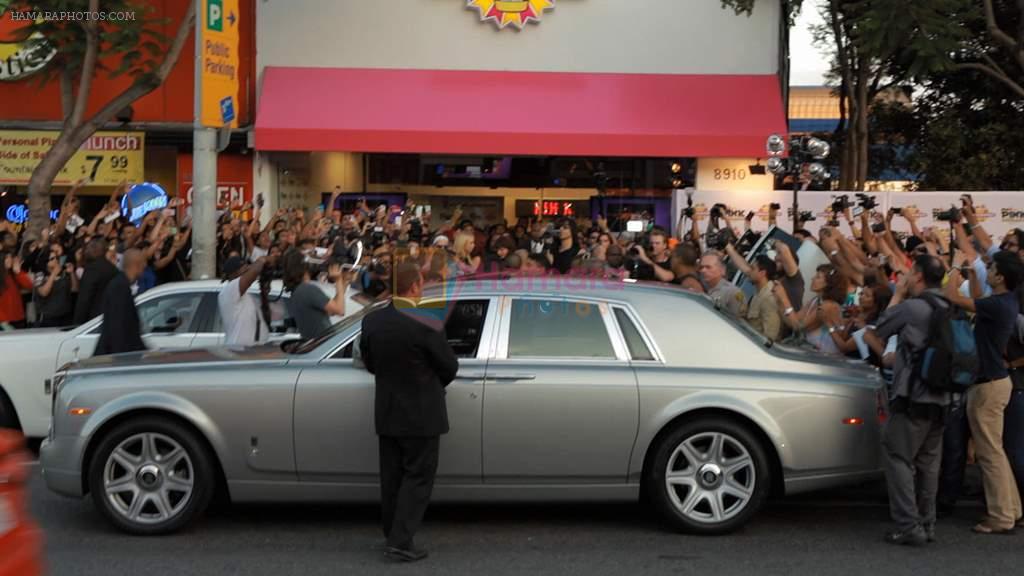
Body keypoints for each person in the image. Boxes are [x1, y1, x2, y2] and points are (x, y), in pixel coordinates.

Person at [359, 262, 459, 563]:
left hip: (388, 409)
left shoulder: (372, 321)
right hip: (422, 413)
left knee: (392, 478)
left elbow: (370, 362)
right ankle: (401, 541)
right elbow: (449, 367)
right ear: (415, 287)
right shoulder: (426, 321)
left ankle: (392, 534)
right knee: (418, 478)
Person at [864, 255, 951, 546]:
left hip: (912, 395)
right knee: (928, 464)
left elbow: (878, 331)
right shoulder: (950, 306)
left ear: (919, 276)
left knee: (898, 456)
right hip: (942, 397)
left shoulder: (913, 308)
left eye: (911, 273)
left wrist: (898, 293)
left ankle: (908, 524)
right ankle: (928, 524)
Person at [944, 251, 1024, 534]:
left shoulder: (999, 305)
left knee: (989, 455)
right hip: (996, 382)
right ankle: (1011, 510)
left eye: (990, 268)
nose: (987, 270)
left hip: (987, 386)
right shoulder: (1005, 301)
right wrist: (974, 274)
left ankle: (1001, 517)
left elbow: (952, 296)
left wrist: (954, 265)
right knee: (996, 452)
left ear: (1000, 276)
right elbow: (979, 298)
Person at [282, 248, 350, 340]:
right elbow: (340, 310)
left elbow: (331, 310)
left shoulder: (299, 290)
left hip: (317, 345)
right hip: (324, 344)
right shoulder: (308, 289)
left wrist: (343, 282)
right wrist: (338, 280)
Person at [94, 249, 147, 356]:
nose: (145, 265)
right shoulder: (119, 288)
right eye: (143, 262)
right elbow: (118, 328)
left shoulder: (121, 285)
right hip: (117, 358)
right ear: (136, 264)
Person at [218, 256, 270, 347]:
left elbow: (264, 318)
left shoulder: (247, 295)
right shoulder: (229, 290)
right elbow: (254, 271)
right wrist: (263, 259)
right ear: (233, 274)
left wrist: (264, 291)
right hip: (239, 349)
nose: (248, 271)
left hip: (254, 349)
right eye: (244, 269)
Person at [74, 238, 118, 325]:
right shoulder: (113, 269)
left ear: (97, 251)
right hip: (111, 317)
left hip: (94, 321)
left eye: (89, 248)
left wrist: (77, 324)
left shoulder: (93, 269)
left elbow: (85, 299)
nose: (86, 251)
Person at [33, 244, 79, 328]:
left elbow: (74, 289)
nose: (56, 260)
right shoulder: (39, 275)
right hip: (48, 317)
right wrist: (53, 274)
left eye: (56, 258)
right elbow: (43, 292)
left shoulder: (64, 273)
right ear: (45, 262)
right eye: (52, 259)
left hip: (65, 316)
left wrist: (72, 272)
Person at [745, 255, 782, 341]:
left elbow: (770, 337)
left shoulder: (769, 298)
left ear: (762, 273)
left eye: (753, 268)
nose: (749, 271)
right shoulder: (759, 292)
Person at [699, 251, 746, 318]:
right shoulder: (706, 289)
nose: (703, 270)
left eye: (708, 267)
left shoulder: (732, 292)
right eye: (701, 267)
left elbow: (739, 321)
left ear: (722, 270)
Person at [0, 251, 32, 331]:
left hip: (19, 318)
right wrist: (2, 321)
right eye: (6, 257)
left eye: (10, 257)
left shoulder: (14, 274)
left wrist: (18, 272)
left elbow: (30, 286)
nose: (10, 259)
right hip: (4, 321)